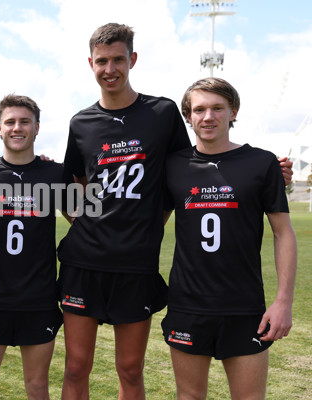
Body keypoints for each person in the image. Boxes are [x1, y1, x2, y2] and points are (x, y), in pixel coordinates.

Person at [56, 23, 293, 400]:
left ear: (132, 59)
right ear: (91, 64)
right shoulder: (81, 122)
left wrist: (264, 169)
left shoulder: (162, 112)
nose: (110, 68)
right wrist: (89, 222)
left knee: (130, 368)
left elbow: (195, 161)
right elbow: (74, 184)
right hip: (83, 261)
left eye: (119, 59)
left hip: (137, 264)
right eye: (102, 61)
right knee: (74, 366)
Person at [162, 77, 297, 399]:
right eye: (199, 109)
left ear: (233, 112)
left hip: (244, 306)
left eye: (217, 108)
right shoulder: (172, 165)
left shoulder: (262, 163)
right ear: (188, 116)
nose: (208, 117)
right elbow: (146, 219)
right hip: (187, 305)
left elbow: (283, 233)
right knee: (190, 397)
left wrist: (283, 302)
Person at [0, 95, 72, 400]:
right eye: (10, 122)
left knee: (37, 387)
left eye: (24, 121)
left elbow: (84, 219)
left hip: (39, 300)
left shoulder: (54, 175)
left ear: (37, 127)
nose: (17, 128)